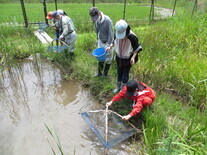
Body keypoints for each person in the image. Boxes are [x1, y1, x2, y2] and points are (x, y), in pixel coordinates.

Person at [106, 20, 142, 93]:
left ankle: (123, 90)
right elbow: (114, 41)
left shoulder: (132, 37)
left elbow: (137, 48)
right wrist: (110, 47)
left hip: (127, 59)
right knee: (119, 72)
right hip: (119, 57)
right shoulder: (117, 33)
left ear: (126, 30)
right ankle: (118, 87)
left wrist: (133, 57)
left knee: (125, 74)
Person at [89, 7, 114, 77]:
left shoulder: (107, 20)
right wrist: (97, 39)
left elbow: (111, 34)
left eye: (95, 17)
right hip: (101, 41)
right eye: (93, 17)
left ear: (99, 13)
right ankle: (99, 73)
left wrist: (109, 45)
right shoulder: (96, 21)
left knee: (108, 59)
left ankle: (105, 74)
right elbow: (97, 30)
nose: (94, 19)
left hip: (107, 42)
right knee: (100, 57)